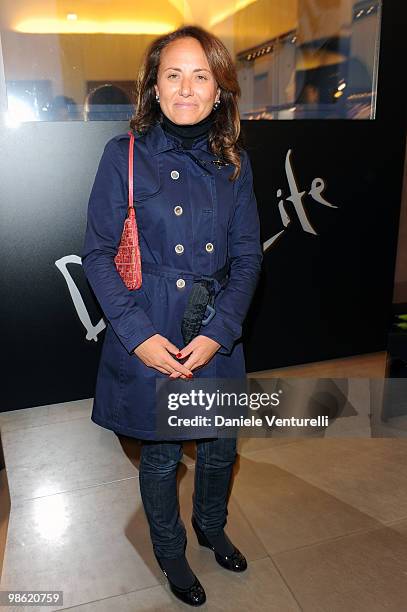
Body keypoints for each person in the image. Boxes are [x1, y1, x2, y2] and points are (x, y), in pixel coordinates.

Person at [81, 25, 263, 607]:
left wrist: (219, 333)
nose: (187, 88)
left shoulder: (235, 162)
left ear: (219, 90)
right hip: (150, 325)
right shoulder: (122, 156)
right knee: (161, 456)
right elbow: (99, 254)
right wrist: (138, 338)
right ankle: (170, 550)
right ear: (154, 88)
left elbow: (247, 257)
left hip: (215, 328)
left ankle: (211, 525)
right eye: (173, 75)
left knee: (220, 447)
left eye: (201, 75)